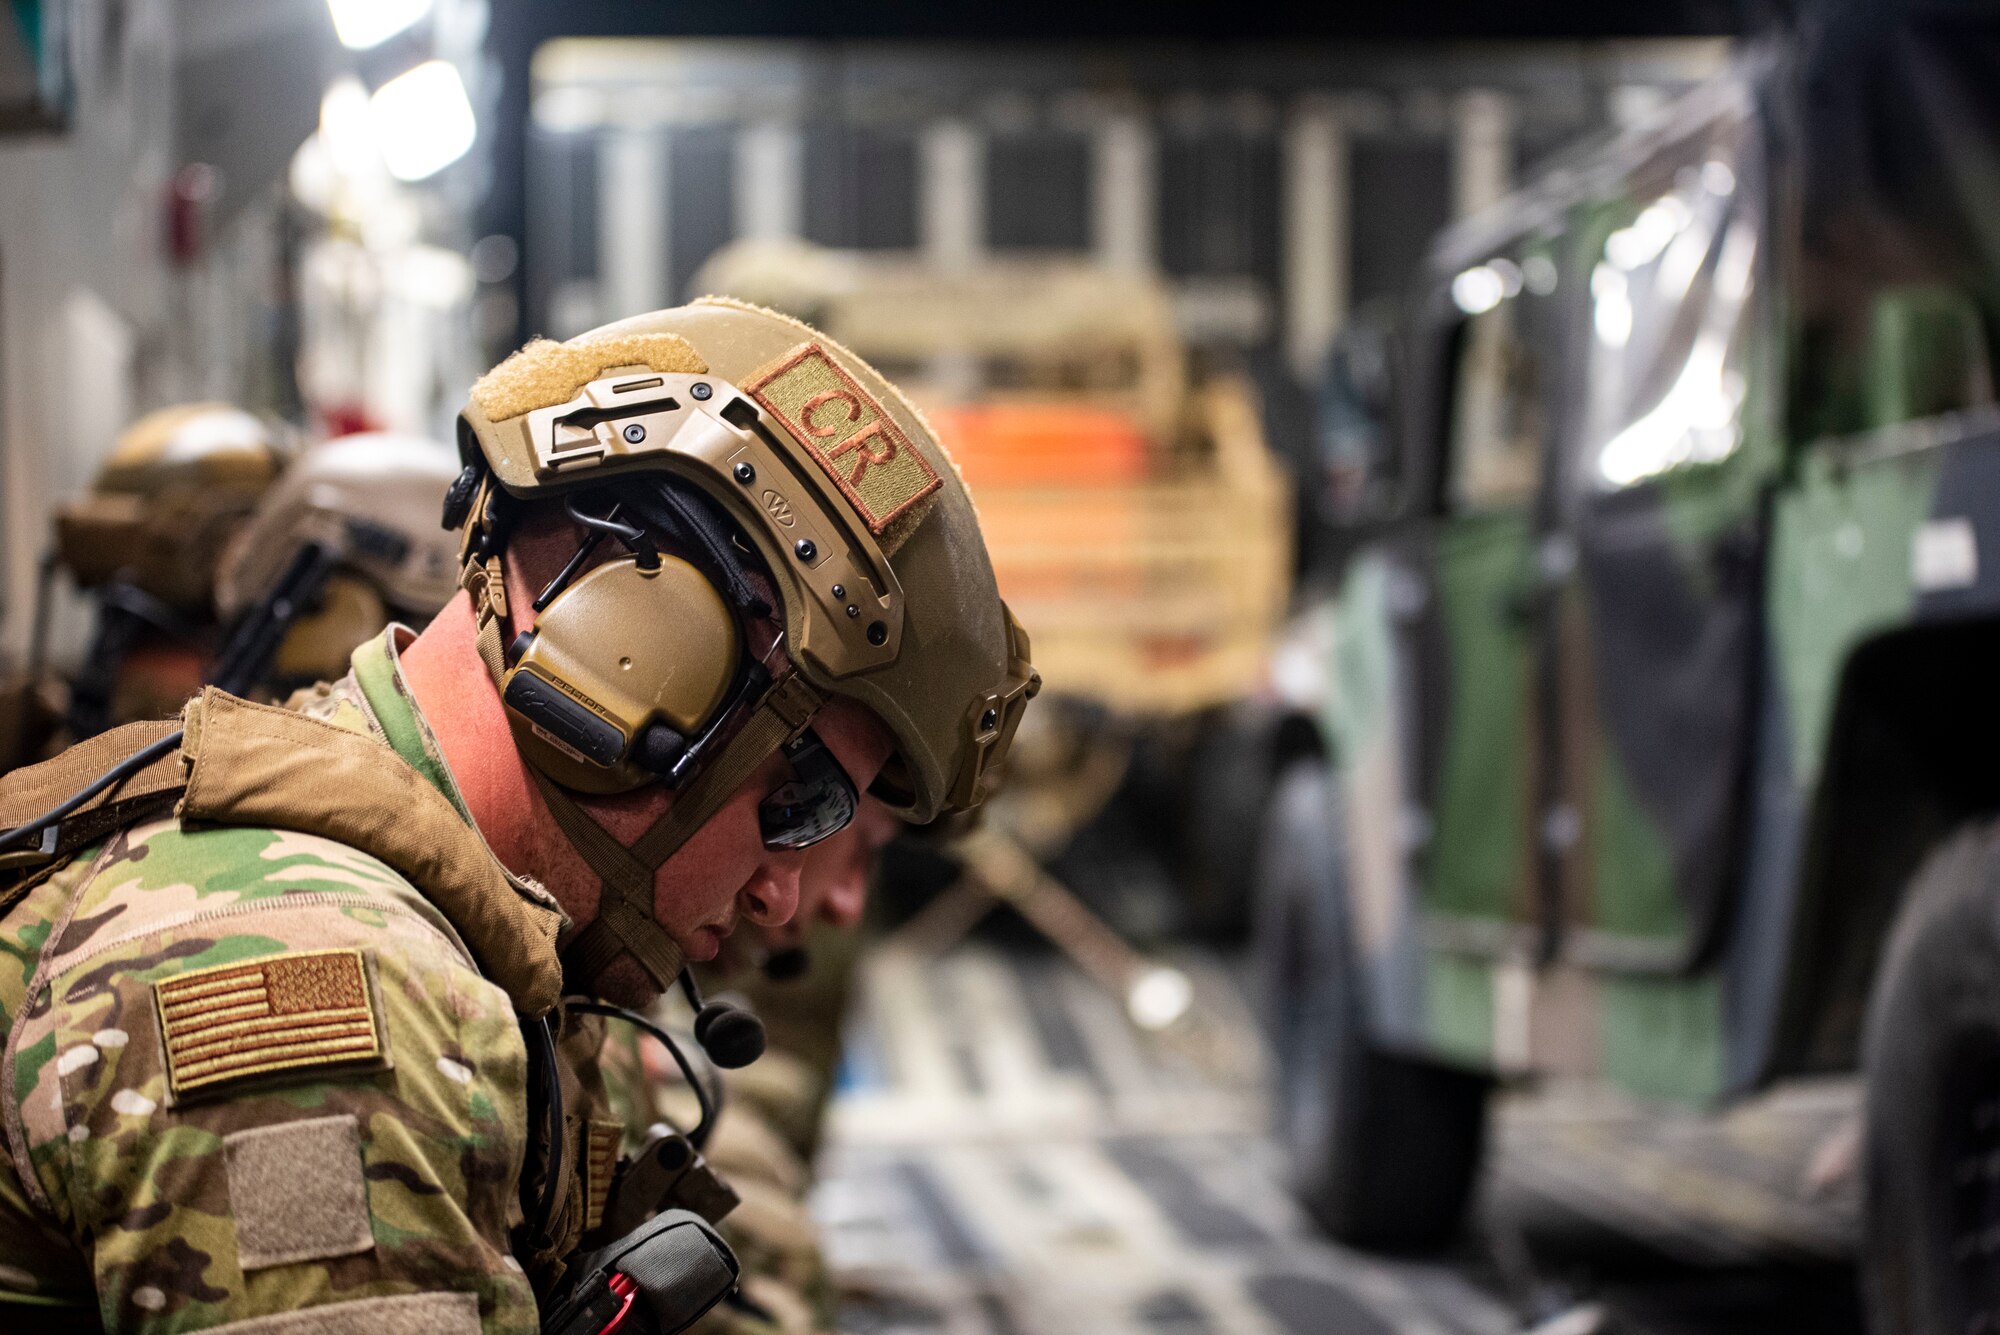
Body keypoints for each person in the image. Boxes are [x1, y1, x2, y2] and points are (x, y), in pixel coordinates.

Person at [0, 299, 1036, 1334]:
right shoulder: (324, 1004)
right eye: (804, 805)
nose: (782, 893)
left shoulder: (487, 943)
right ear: (637, 658)